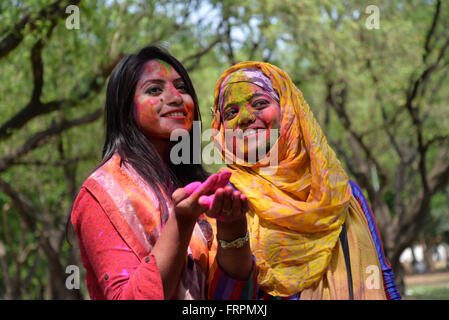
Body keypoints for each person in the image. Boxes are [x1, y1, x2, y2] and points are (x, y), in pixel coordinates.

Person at [69, 45, 256, 300]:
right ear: (125, 108)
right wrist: (181, 221)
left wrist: (232, 225)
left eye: (182, 87)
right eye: (154, 90)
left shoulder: (197, 184)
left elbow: (235, 298)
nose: (177, 98)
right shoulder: (102, 193)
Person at [209, 61, 401, 300]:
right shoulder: (224, 199)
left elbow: (383, 277)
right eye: (230, 113)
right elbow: (223, 296)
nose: (246, 117)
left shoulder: (343, 192)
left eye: (260, 103)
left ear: (289, 111)